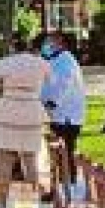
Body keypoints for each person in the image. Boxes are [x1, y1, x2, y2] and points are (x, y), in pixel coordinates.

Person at [0, 42, 51, 196]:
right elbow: (50, 84)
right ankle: (33, 202)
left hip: (8, 112)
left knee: (5, 160)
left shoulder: (4, 63)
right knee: (31, 160)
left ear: (13, 48)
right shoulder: (42, 63)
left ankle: (3, 204)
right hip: (32, 112)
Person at [41, 31, 86, 193]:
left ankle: (68, 187)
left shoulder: (66, 61)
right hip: (60, 115)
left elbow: (63, 85)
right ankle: (62, 187)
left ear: (59, 42)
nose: (46, 45)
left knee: (64, 153)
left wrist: (52, 102)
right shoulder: (56, 60)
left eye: (49, 41)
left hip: (67, 116)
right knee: (60, 154)